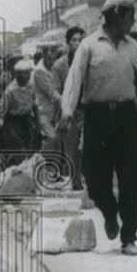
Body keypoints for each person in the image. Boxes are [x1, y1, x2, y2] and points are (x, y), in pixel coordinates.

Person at [59, 0, 137, 257]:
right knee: (95, 178)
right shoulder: (88, 46)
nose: (133, 21)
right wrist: (67, 111)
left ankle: (129, 236)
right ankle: (109, 211)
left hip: (128, 118)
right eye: (131, 15)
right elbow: (73, 82)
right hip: (97, 118)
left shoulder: (133, 47)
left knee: (131, 176)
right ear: (117, 14)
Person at [52, 26, 85, 190]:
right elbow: (54, 91)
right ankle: (76, 181)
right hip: (70, 113)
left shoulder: (89, 61)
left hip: (88, 110)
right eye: (74, 40)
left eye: (80, 40)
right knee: (72, 150)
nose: (77, 43)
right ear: (67, 43)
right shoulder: (59, 66)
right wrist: (65, 104)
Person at [0, 59, 38, 167]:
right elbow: (0, 114)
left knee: (30, 152)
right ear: (18, 74)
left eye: (29, 73)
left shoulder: (31, 85)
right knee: (21, 155)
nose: (28, 76)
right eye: (26, 73)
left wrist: (37, 122)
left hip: (27, 122)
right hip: (13, 124)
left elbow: (35, 104)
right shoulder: (10, 91)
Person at [33, 43, 62, 155]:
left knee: (58, 145)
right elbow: (51, 92)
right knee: (52, 138)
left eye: (54, 59)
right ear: (43, 56)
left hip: (54, 113)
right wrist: (67, 102)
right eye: (49, 59)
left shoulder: (51, 68)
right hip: (42, 113)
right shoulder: (40, 71)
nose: (52, 61)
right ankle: (41, 163)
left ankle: (52, 170)